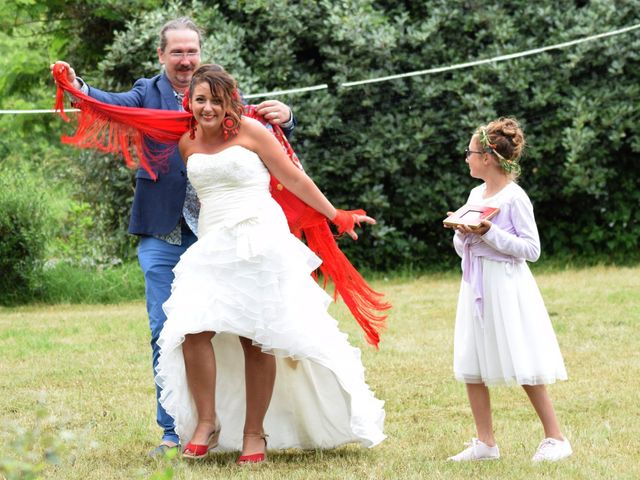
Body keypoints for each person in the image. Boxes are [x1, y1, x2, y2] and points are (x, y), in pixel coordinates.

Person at [50, 17, 296, 456]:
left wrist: (288, 117)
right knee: (167, 328)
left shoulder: (218, 91)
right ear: (161, 56)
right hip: (162, 232)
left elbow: (253, 129)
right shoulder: (148, 91)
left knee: (245, 328)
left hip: (221, 235)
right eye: (177, 52)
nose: (185, 60)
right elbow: (112, 104)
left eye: (192, 51)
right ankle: (173, 430)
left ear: (200, 54)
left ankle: (243, 425)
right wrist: (77, 86)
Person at [154, 64, 386, 465]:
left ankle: (254, 432)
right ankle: (206, 423)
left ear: (231, 100)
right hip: (213, 243)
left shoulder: (251, 130)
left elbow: (294, 179)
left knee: (256, 335)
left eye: (216, 100)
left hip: (259, 237)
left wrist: (337, 216)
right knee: (193, 330)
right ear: (188, 101)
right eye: (200, 100)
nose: (208, 108)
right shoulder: (186, 142)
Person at [445, 118, 572, 462]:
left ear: (488, 157)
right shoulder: (475, 194)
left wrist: (488, 233)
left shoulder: (515, 198)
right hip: (475, 281)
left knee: (520, 356)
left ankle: (556, 438)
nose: (466, 157)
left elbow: (531, 250)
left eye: (470, 152)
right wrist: (462, 232)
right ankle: (485, 443)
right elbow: (467, 247)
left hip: (505, 285)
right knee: (472, 357)